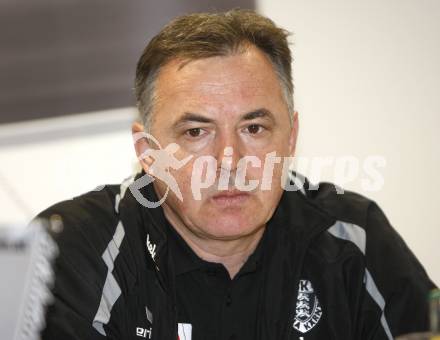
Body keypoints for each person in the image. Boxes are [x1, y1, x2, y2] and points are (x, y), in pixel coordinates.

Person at [35, 9, 436, 340]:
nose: (230, 160)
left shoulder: (353, 236)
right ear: (149, 153)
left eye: (254, 129)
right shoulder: (69, 251)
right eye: (196, 132)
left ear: (291, 137)